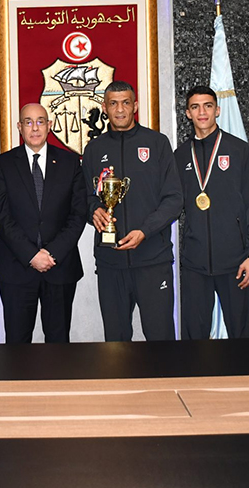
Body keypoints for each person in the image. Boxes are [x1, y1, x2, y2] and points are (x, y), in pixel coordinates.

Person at [82, 81, 182, 341]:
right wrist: (93, 210)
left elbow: (174, 199)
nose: (120, 110)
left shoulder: (157, 143)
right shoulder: (94, 149)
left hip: (152, 260)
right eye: (113, 103)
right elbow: (84, 197)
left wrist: (144, 232)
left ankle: (164, 384)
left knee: (160, 339)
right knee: (115, 343)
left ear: (135, 106)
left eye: (126, 102)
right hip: (110, 262)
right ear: (104, 108)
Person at [0, 103, 88, 343]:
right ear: (19, 127)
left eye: (40, 121)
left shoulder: (70, 162)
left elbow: (78, 214)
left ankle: (55, 384)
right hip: (16, 266)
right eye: (29, 122)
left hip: (60, 266)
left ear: (50, 125)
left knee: (58, 342)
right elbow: (1, 216)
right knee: (17, 343)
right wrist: (31, 255)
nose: (35, 128)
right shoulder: (3, 164)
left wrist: (51, 252)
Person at [177, 85, 249, 339]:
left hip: (236, 262)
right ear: (187, 113)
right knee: (194, 337)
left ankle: (243, 380)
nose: (202, 112)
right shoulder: (180, 156)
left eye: (207, 106)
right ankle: (197, 380)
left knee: (240, 335)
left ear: (217, 110)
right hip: (195, 263)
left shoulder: (240, 151)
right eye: (195, 107)